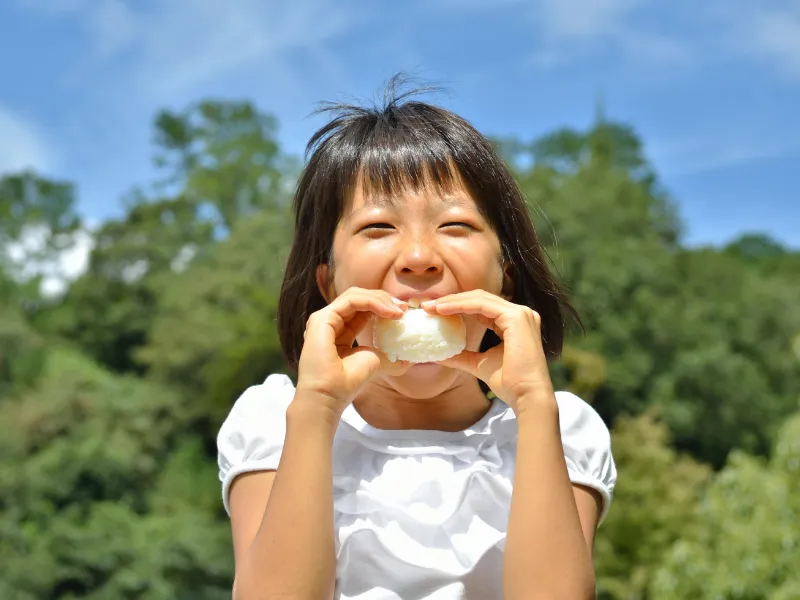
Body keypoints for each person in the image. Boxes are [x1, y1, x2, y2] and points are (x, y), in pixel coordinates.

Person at [216, 78, 618, 600]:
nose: (419, 256)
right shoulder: (274, 419)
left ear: (506, 280)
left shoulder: (560, 429)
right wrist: (317, 407)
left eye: (455, 225)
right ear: (328, 283)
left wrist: (535, 406)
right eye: (378, 227)